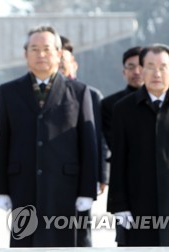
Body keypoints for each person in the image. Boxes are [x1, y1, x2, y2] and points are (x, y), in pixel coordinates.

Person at [0, 26, 97, 247]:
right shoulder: (9, 91)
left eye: (47, 49)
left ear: (59, 54)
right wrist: (0, 188)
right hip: (23, 185)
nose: (41, 54)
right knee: (25, 242)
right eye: (34, 49)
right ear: (25, 54)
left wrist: (88, 190)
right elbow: (2, 141)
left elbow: (88, 144)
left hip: (65, 186)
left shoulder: (79, 91)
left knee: (63, 244)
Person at [107, 44, 169, 246]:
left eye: (163, 67)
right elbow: (118, 159)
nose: (157, 73)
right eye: (150, 66)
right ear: (141, 70)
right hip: (136, 204)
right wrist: (119, 205)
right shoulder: (123, 109)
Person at [59, 35, 107, 247]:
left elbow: (99, 138)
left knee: (81, 230)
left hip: (81, 174)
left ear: (74, 65)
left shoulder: (90, 94)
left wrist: (101, 175)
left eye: (64, 63)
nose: (59, 67)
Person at [100, 46, 143, 246]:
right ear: (123, 71)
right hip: (127, 186)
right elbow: (116, 146)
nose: (137, 72)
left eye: (141, 66)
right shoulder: (111, 105)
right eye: (131, 67)